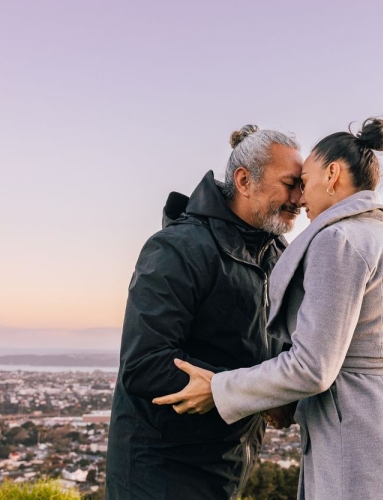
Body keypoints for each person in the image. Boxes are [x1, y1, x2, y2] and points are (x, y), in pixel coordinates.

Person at [153, 118, 383, 499]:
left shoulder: (337, 239)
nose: (301, 199)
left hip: (364, 455)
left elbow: (312, 367)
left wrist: (220, 388)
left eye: (303, 182)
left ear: (333, 174)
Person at [106, 125, 303, 500]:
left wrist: (274, 396)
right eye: (290, 184)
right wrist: (253, 394)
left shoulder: (279, 256)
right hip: (159, 471)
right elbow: (145, 364)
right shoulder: (178, 247)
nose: (300, 198)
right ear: (244, 181)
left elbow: (275, 352)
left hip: (228, 463)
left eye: (302, 186)